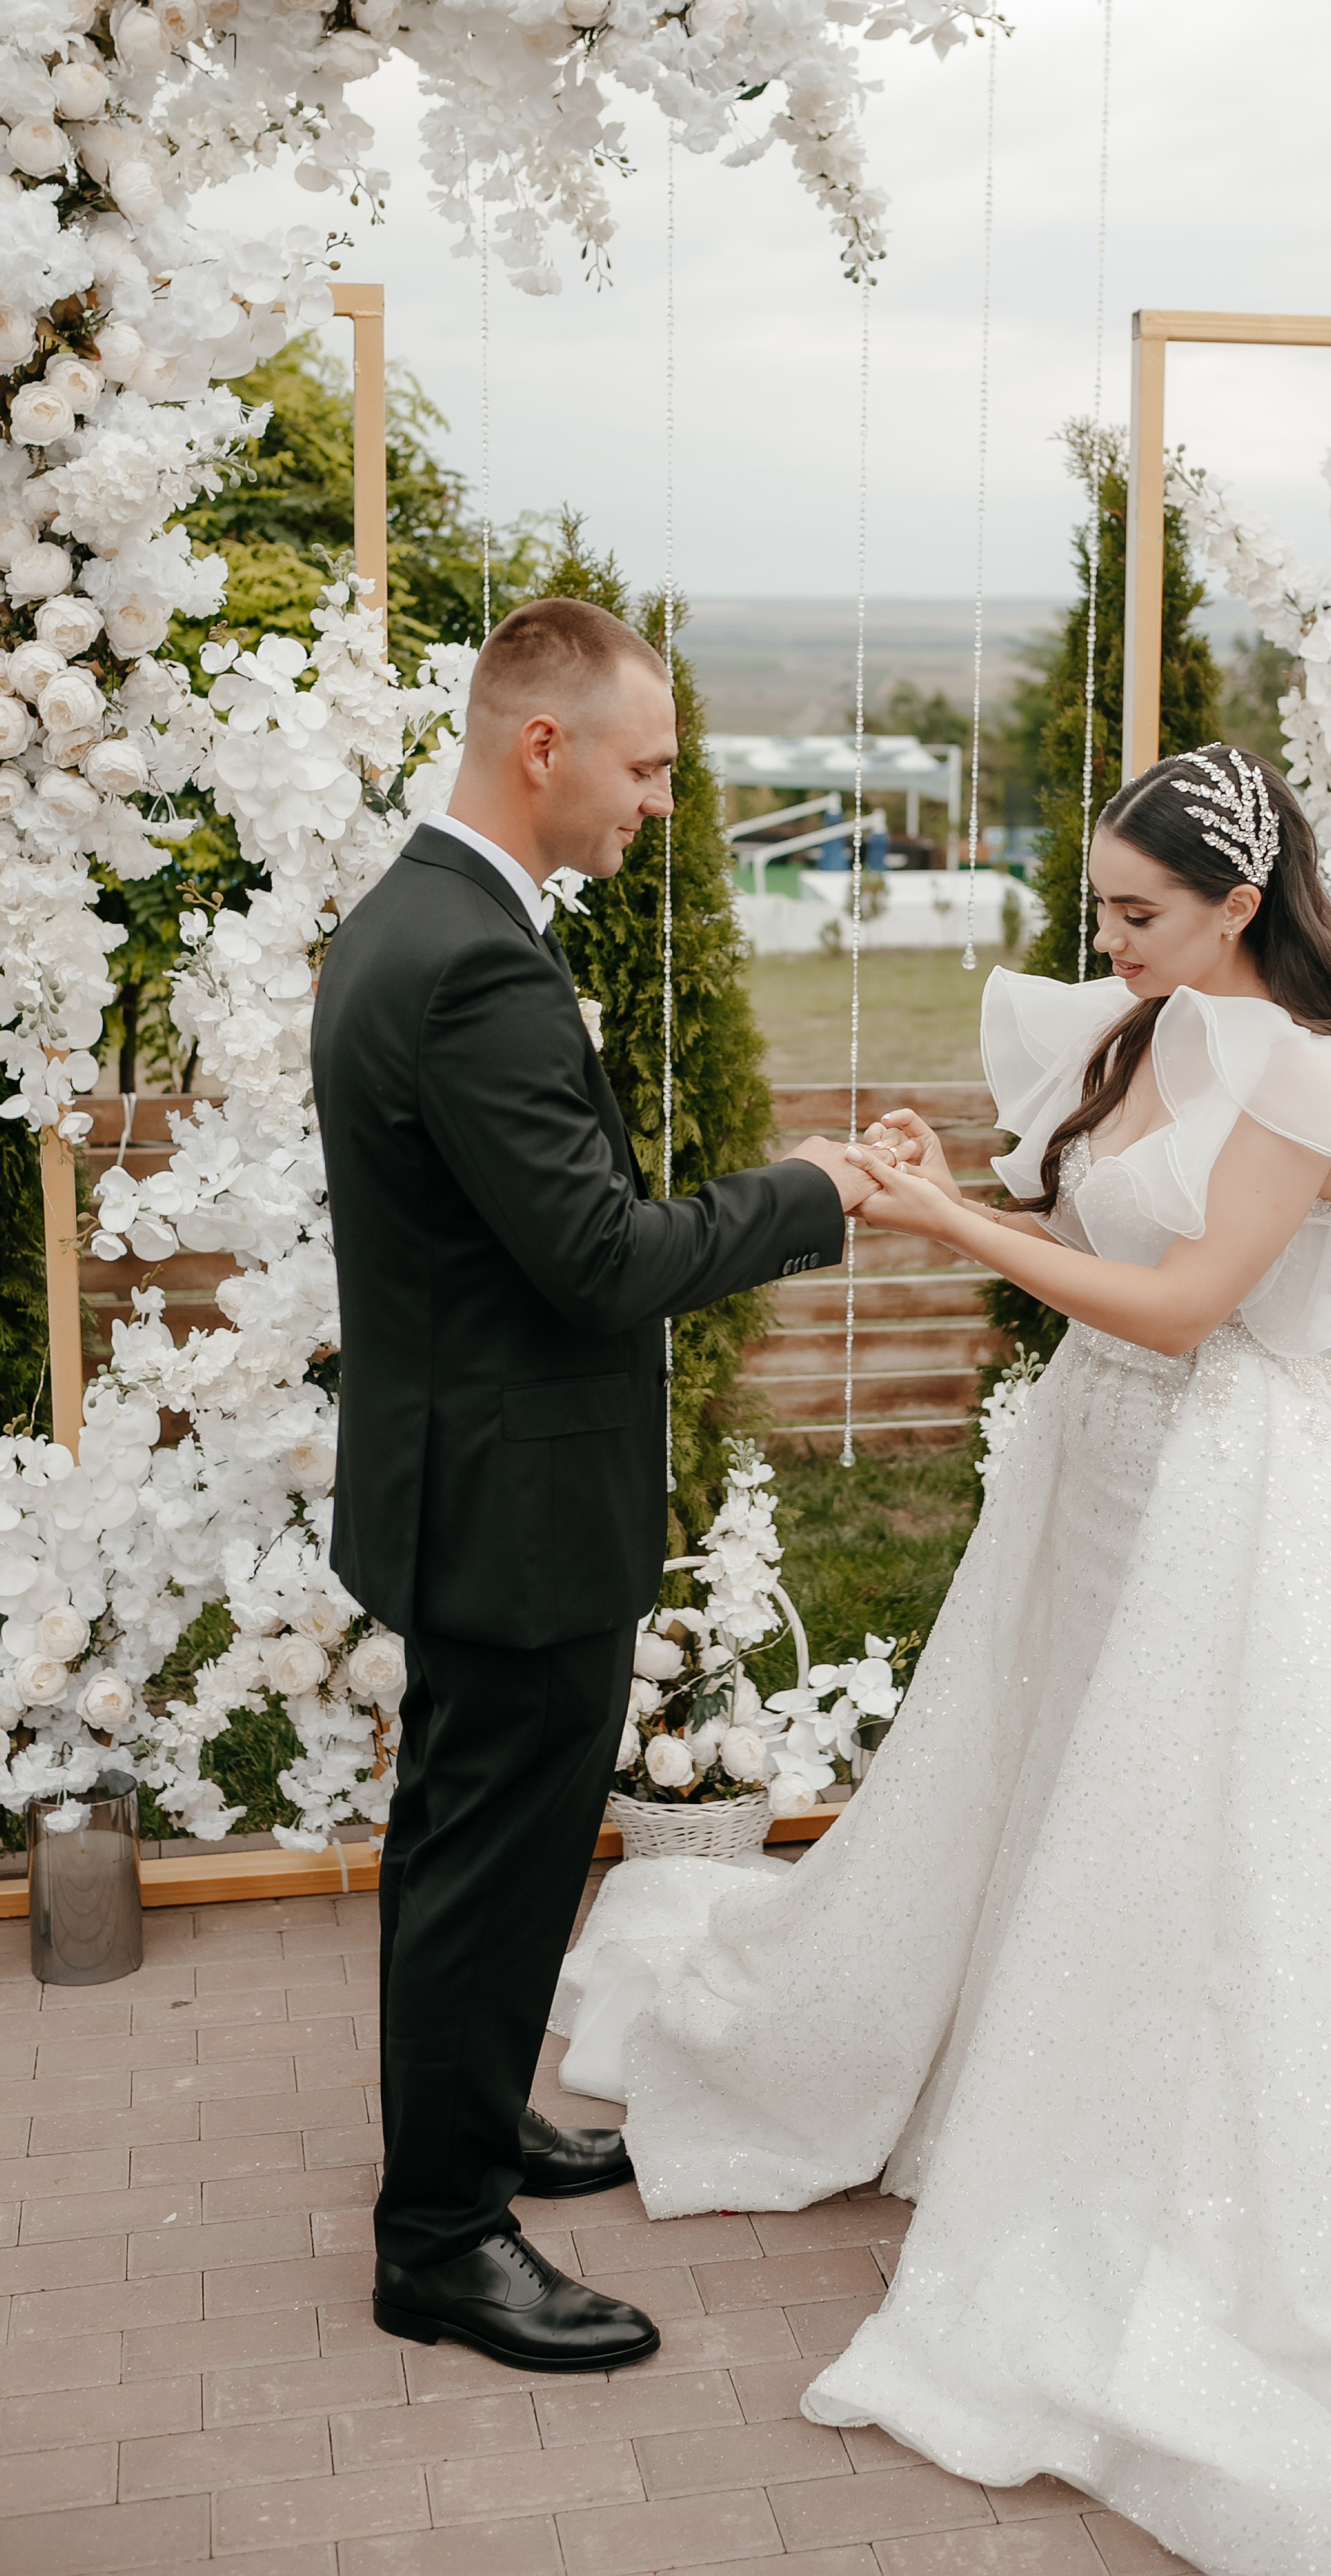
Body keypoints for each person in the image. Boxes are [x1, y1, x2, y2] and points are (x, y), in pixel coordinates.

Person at [549, 747, 1331, 2575]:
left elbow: (1195, 1308)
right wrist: (943, 1185)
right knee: (1051, 1777)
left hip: (1231, 1491)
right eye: (1099, 909)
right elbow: (1094, 1242)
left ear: (1237, 910)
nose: (1107, 943)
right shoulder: (1151, 1034)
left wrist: (952, 1226)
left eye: (1139, 913)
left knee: (1213, 1831)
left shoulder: (1300, 1076)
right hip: (1096, 1465)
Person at [310, 596, 873, 2375]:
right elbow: (599, 1260)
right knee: (490, 1866)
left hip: (457, 1480)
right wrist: (813, 1188)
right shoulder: (473, 958)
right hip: (517, 1510)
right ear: (541, 747)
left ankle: (472, 2139)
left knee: (468, 1854)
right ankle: (442, 2248)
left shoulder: (411, 915)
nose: (657, 805)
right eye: (646, 770)